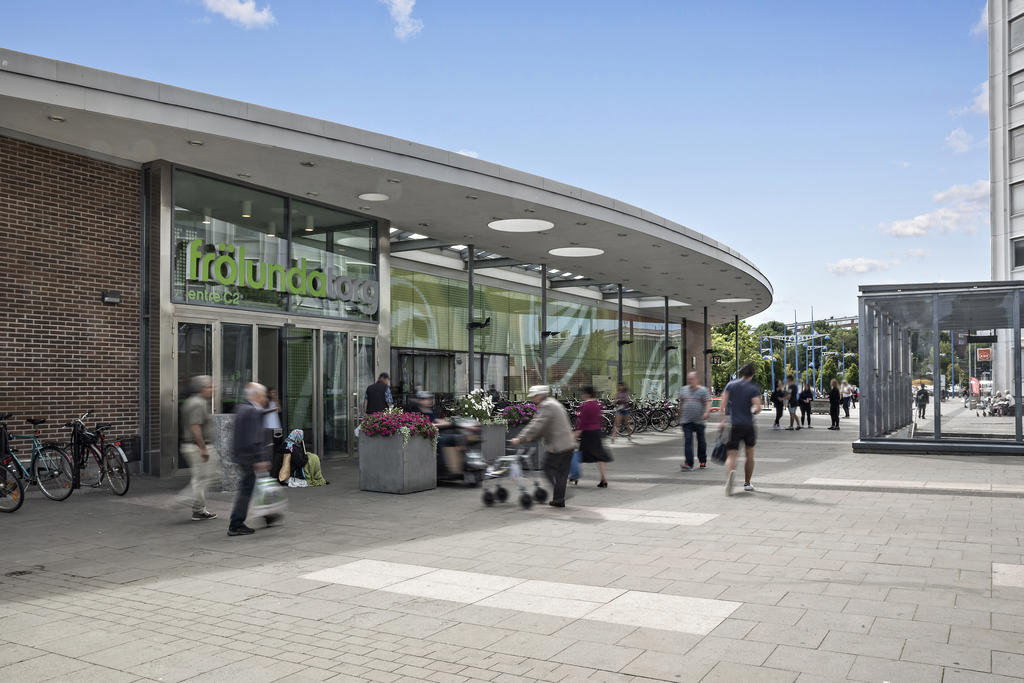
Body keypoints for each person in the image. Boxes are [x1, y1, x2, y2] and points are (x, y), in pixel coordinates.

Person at [511, 385, 576, 507]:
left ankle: (561, 494)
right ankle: (559, 499)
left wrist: (520, 438)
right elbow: (545, 426)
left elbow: (537, 425)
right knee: (561, 473)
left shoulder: (547, 406)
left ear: (540, 396)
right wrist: (531, 437)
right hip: (567, 444)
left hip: (558, 446)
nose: (532, 400)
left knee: (547, 468)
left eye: (534, 397)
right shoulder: (554, 403)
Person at [229, 382, 273, 536]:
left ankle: (269, 515)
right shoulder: (253, 411)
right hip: (250, 456)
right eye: (264, 395)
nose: (265, 398)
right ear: (257, 395)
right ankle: (236, 523)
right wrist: (261, 458)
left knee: (254, 487)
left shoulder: (241, 408)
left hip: (241, 455)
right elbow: (255, 438)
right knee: (247, 489)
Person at [178, 375, 218, 521]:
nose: (213, 389)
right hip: (197, 446)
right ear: (201, 388)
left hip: (193, 445)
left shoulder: (193, 401)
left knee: (202, 477)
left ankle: (198, 509)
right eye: (210, 386)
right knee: (206, 477)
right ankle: (185, 499)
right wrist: (203, 449)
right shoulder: (197, 403)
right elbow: (195, 427)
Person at [719, 363, 762, 495]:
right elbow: (758, 408)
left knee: (732, 455)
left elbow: (723, 404)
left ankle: (729, 479)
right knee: (749, 455)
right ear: (752, 374)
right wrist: (754, 411)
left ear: (741, 372)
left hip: (734, 425)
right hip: (748, 425)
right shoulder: (753, 388)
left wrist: (723, 419)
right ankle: (747, 483)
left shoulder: (731, 385)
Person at [574, 386, 612, 486]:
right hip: (597, 431)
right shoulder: (598, 404)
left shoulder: (584, 406)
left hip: (587, 433)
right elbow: (600, 418)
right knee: (600, 455)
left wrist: (576, 435)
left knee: (580, 455)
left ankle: (575, 476)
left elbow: (581, 422)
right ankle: (604, 479)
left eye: (583, 393)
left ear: (587, 394)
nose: (582, 395)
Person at [679, 371, 711, 471]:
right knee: (688, 442)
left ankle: (702, 461)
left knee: (701, 441)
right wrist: (679, 416)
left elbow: (708, 402)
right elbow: (681, 403)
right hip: (686, 420)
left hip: (699, 421)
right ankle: (689, 463)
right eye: (689, 379)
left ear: (696, 380)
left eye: (692, 379)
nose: (690, 381)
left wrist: (706, 412)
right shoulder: (684, 390)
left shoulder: (703, 390)